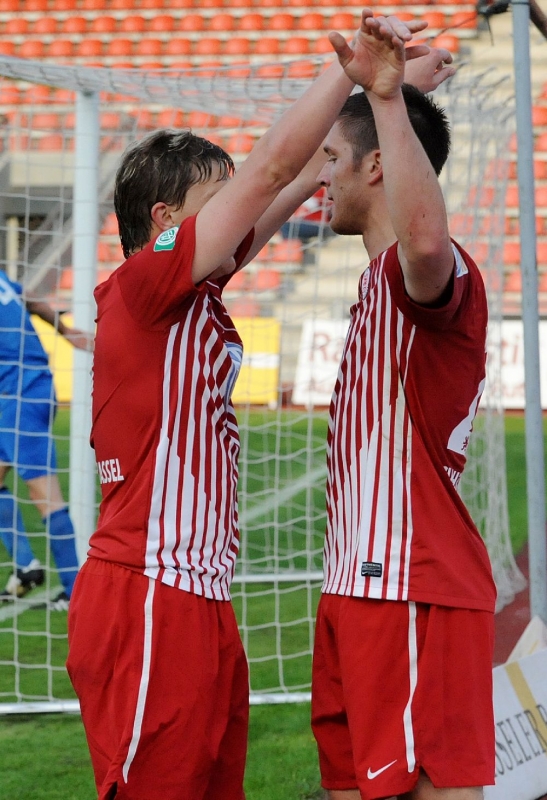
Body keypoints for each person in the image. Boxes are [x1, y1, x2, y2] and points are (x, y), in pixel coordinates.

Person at [65, 12, 455, 799]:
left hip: (197, 593)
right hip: (148, 587)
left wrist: (392, 100)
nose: (237, 213)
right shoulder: (147, 282)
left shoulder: (192, 291)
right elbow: (274, 171)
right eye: (219, 200)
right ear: (166, 222)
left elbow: (302, 173)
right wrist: (348, 68)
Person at [308, 11, 497, 800]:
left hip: (409, 584)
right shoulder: (371, 282)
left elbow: (423, 243)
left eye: (330, 159)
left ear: (377, 165)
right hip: (355, 583)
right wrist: (388, 96)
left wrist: (386, 97)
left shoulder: (424, 272)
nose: (319, 178)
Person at [0, 269, 93, 610]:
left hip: (18, 394)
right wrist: (66, 331)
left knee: (45, 493)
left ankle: (74, 589)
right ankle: (26, 566)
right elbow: (33, 301)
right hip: (26, 387)